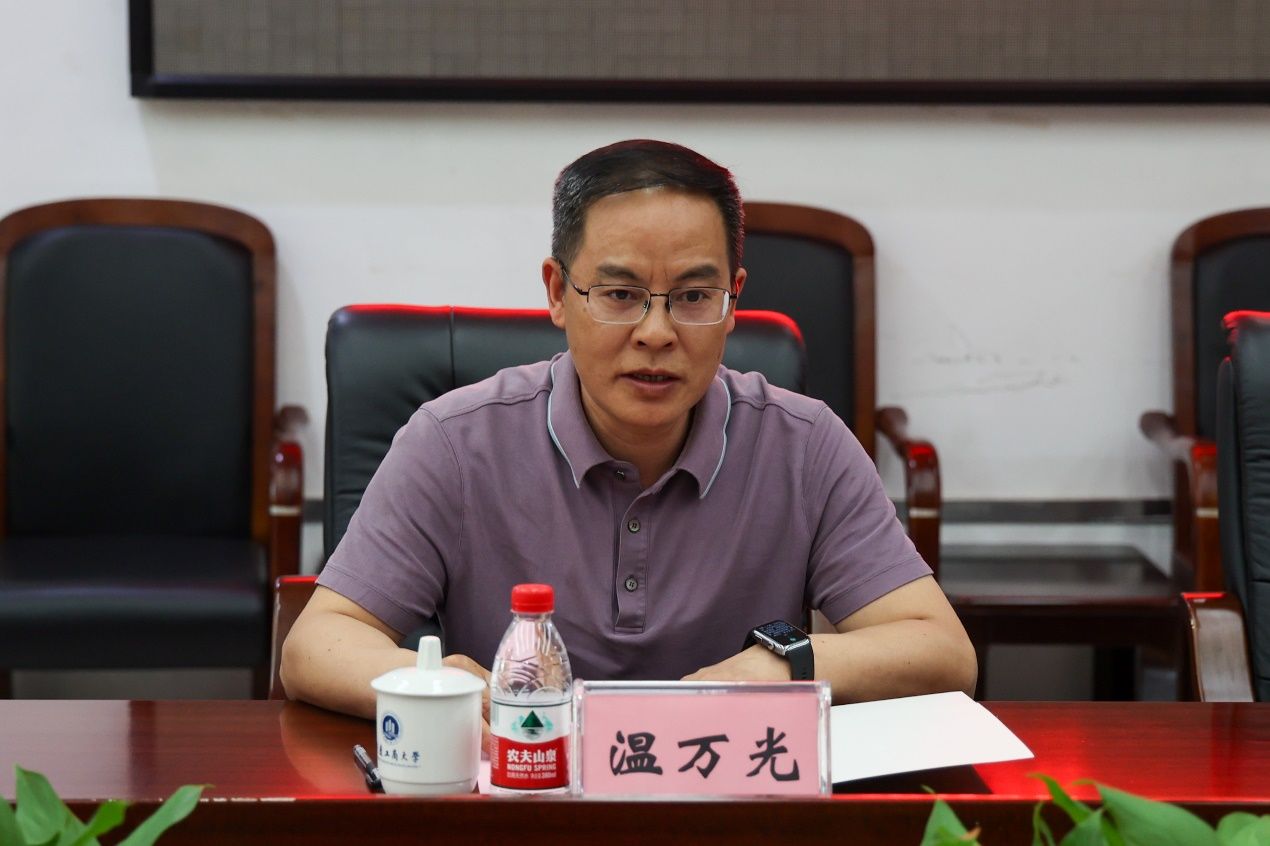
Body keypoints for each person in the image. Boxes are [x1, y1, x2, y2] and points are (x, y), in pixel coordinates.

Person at [281, 140, 977, 722]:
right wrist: (443, 687)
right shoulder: (455, 443)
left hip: (729, 805)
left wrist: (779, 665)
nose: (656, 333)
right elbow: (316, 645)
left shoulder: (805, 445)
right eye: (620, 295)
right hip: (522, 796)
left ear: (734, 299)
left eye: (694, 297)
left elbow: (943, 652)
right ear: (557, 292)